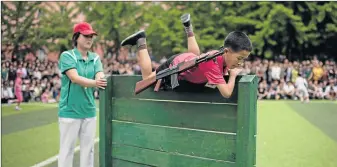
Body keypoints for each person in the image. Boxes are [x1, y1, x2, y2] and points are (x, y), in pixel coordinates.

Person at [120, 14, 252, 98]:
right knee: (147, 78)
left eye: (243, 59)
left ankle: (189, 28)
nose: (240, 63)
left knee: (195, 56)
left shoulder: (218, 55)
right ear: (227, 51)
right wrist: (233, 75)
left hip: (188, 59)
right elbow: (227, 93)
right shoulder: (213, 64)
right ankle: (140, 41)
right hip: (176, 65)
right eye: (239, 58)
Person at [57, 22, 107, 167]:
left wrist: (100, 78)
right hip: (69, 112)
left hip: (89, 110)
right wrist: (96, 83)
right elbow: (74, 78)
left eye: (91, 36)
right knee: (67, 150)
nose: (89, 39)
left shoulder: (95, 58)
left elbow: (100, 74)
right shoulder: (67, 56)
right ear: (76, 37)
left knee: (88, 150)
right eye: (86, 36)